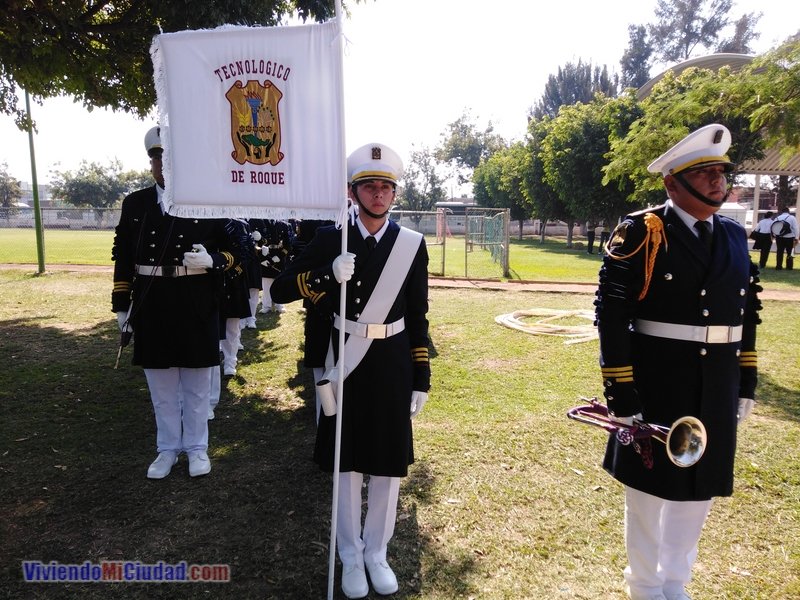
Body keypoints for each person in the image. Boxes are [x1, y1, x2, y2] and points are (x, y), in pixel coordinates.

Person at [594, 124, 761, 600]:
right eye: (703, 172)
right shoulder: (643, 231)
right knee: (648, 490)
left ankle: (675, 581)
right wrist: (621, 394)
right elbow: (612, 317)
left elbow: (747, 315)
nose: (717, 181)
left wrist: (745, 382)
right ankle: (644, 583)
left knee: (698, 487)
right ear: (672, 182)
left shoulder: (732, 234)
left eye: (720, 172)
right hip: (658, 380)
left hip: (716, 381)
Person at [271, 143, 431, 599]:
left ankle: (377, 551)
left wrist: (421, 376)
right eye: (369, 186)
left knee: (386, 462)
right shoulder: (329, 239)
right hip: (345, 360)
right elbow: (281, 289)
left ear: (394, 194)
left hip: (393, 361)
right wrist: (326, 274)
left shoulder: (411, 245)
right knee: (346, 463)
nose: (378, 195)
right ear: (352, 191)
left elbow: (418, 314)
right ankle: (349, 553)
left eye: (386, 187)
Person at [111, 125, 247, 479]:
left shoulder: (209, 201)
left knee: (198, 383)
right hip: (152, 300)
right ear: (151, 162)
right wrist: (122, 306)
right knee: (162, 385)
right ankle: (167, 448)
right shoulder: (136, 204)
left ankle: (197, 447)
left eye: (170, 157)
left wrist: (215, 261)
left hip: (195, 300)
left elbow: (240, 252)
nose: (163, 164)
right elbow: (123, 258)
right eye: (157, 157)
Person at [771, 205, 798, 270]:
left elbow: (773, 228)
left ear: (782, 212)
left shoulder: (777, 218)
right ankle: (789, 266)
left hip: (779, 237)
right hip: (790, 237)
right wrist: (796, 237)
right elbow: (796, 228)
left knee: (779, 252)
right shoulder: (792, 218)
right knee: (790, 252)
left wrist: (774, 236)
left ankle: (778, 266)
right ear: (788, 212)